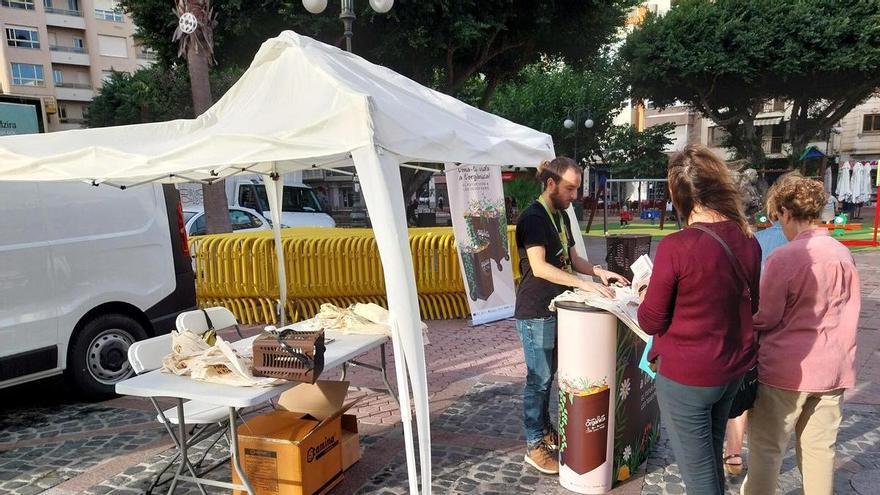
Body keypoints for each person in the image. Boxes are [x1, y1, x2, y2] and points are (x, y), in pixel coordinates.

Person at [637, 145, 761, 494]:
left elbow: (650, 321)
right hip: (731, 368)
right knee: (709, 458)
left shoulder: (678, 246)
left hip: (688, 376)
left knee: (699, 474)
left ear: (678, 197)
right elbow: (753, 306)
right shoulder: (748, 240)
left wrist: (647, 294)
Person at [742, 177, 860, 495]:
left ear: (784, 211)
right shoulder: (842, 254)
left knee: (767, 451)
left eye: (778, 217)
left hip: (786, 372)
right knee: (821, 453)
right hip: (834, 369)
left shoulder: (786, 257)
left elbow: (766, 316)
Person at [515, 156, 627, 475]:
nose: (573, 196)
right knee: (538, 380)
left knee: (551, 376)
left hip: (558, 308)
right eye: (569, 189)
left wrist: (598, 273)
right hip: (535, 311)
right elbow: (539, 267)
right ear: (550, 184)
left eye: (576, 189)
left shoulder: (561, 215)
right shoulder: (533, 218)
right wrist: (583, 284)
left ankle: (546, 428)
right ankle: (534, 444)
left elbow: (573, 258)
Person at [723, 172, 800, 474]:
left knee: (743, 391)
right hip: (795, 344)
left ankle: (733, 453)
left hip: (759, 333)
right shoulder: (818, 245)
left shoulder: (754, 243)